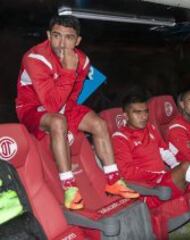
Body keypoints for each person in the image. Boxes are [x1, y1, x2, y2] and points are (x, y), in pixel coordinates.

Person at [15, 16, 138, 210]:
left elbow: (72, 97)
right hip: (31, 107)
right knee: (57, 121)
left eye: (69, 38)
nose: (62, 44)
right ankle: (69, 188)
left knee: (99, 124)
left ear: (77, 41)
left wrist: (69, 125)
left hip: (62, 105)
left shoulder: (83, 60)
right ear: (48, 35)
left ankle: (113, 181)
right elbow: (51, 105)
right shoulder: (34, 58)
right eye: (56, 36)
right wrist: (69, 71)